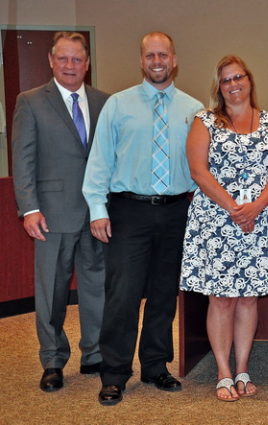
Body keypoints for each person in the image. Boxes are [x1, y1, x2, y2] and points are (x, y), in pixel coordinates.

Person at [82, 32, 203, 406]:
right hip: (129, 210)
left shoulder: (193, 108)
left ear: (174, 59)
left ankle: (155, 365)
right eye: (150, 55)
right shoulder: (118, 105)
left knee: (165, 295)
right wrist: (98, 210)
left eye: (163, 54)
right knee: (123, 295)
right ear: (141, 60)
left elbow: (200, 167)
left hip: (176, 211)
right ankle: (115, 373)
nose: (157, 61)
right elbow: (99, 160)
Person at [179, 55, 268, 402]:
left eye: (239, 77)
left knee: (248, 299)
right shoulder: (205, 121)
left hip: (260, 219)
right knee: (222, 299)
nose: (234, 84)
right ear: (218, 86)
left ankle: (242, 368)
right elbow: (198, 171)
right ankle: (223, 371)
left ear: (249, 80)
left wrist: (255, 207)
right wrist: (234, 208)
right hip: (216, 222)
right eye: (226, 80)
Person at [12, 31, 109, 392]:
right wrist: (29, 208)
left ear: (87, 63)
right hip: (51, 213)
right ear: (51, 61)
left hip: (97, 213)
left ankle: (94, 353)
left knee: (96, 286)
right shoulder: (32, 101)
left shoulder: (104, 102)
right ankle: (52, 359)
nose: (71, 65)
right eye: (64, 58)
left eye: (77, 59)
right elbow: (23, 158)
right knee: (51, 290)